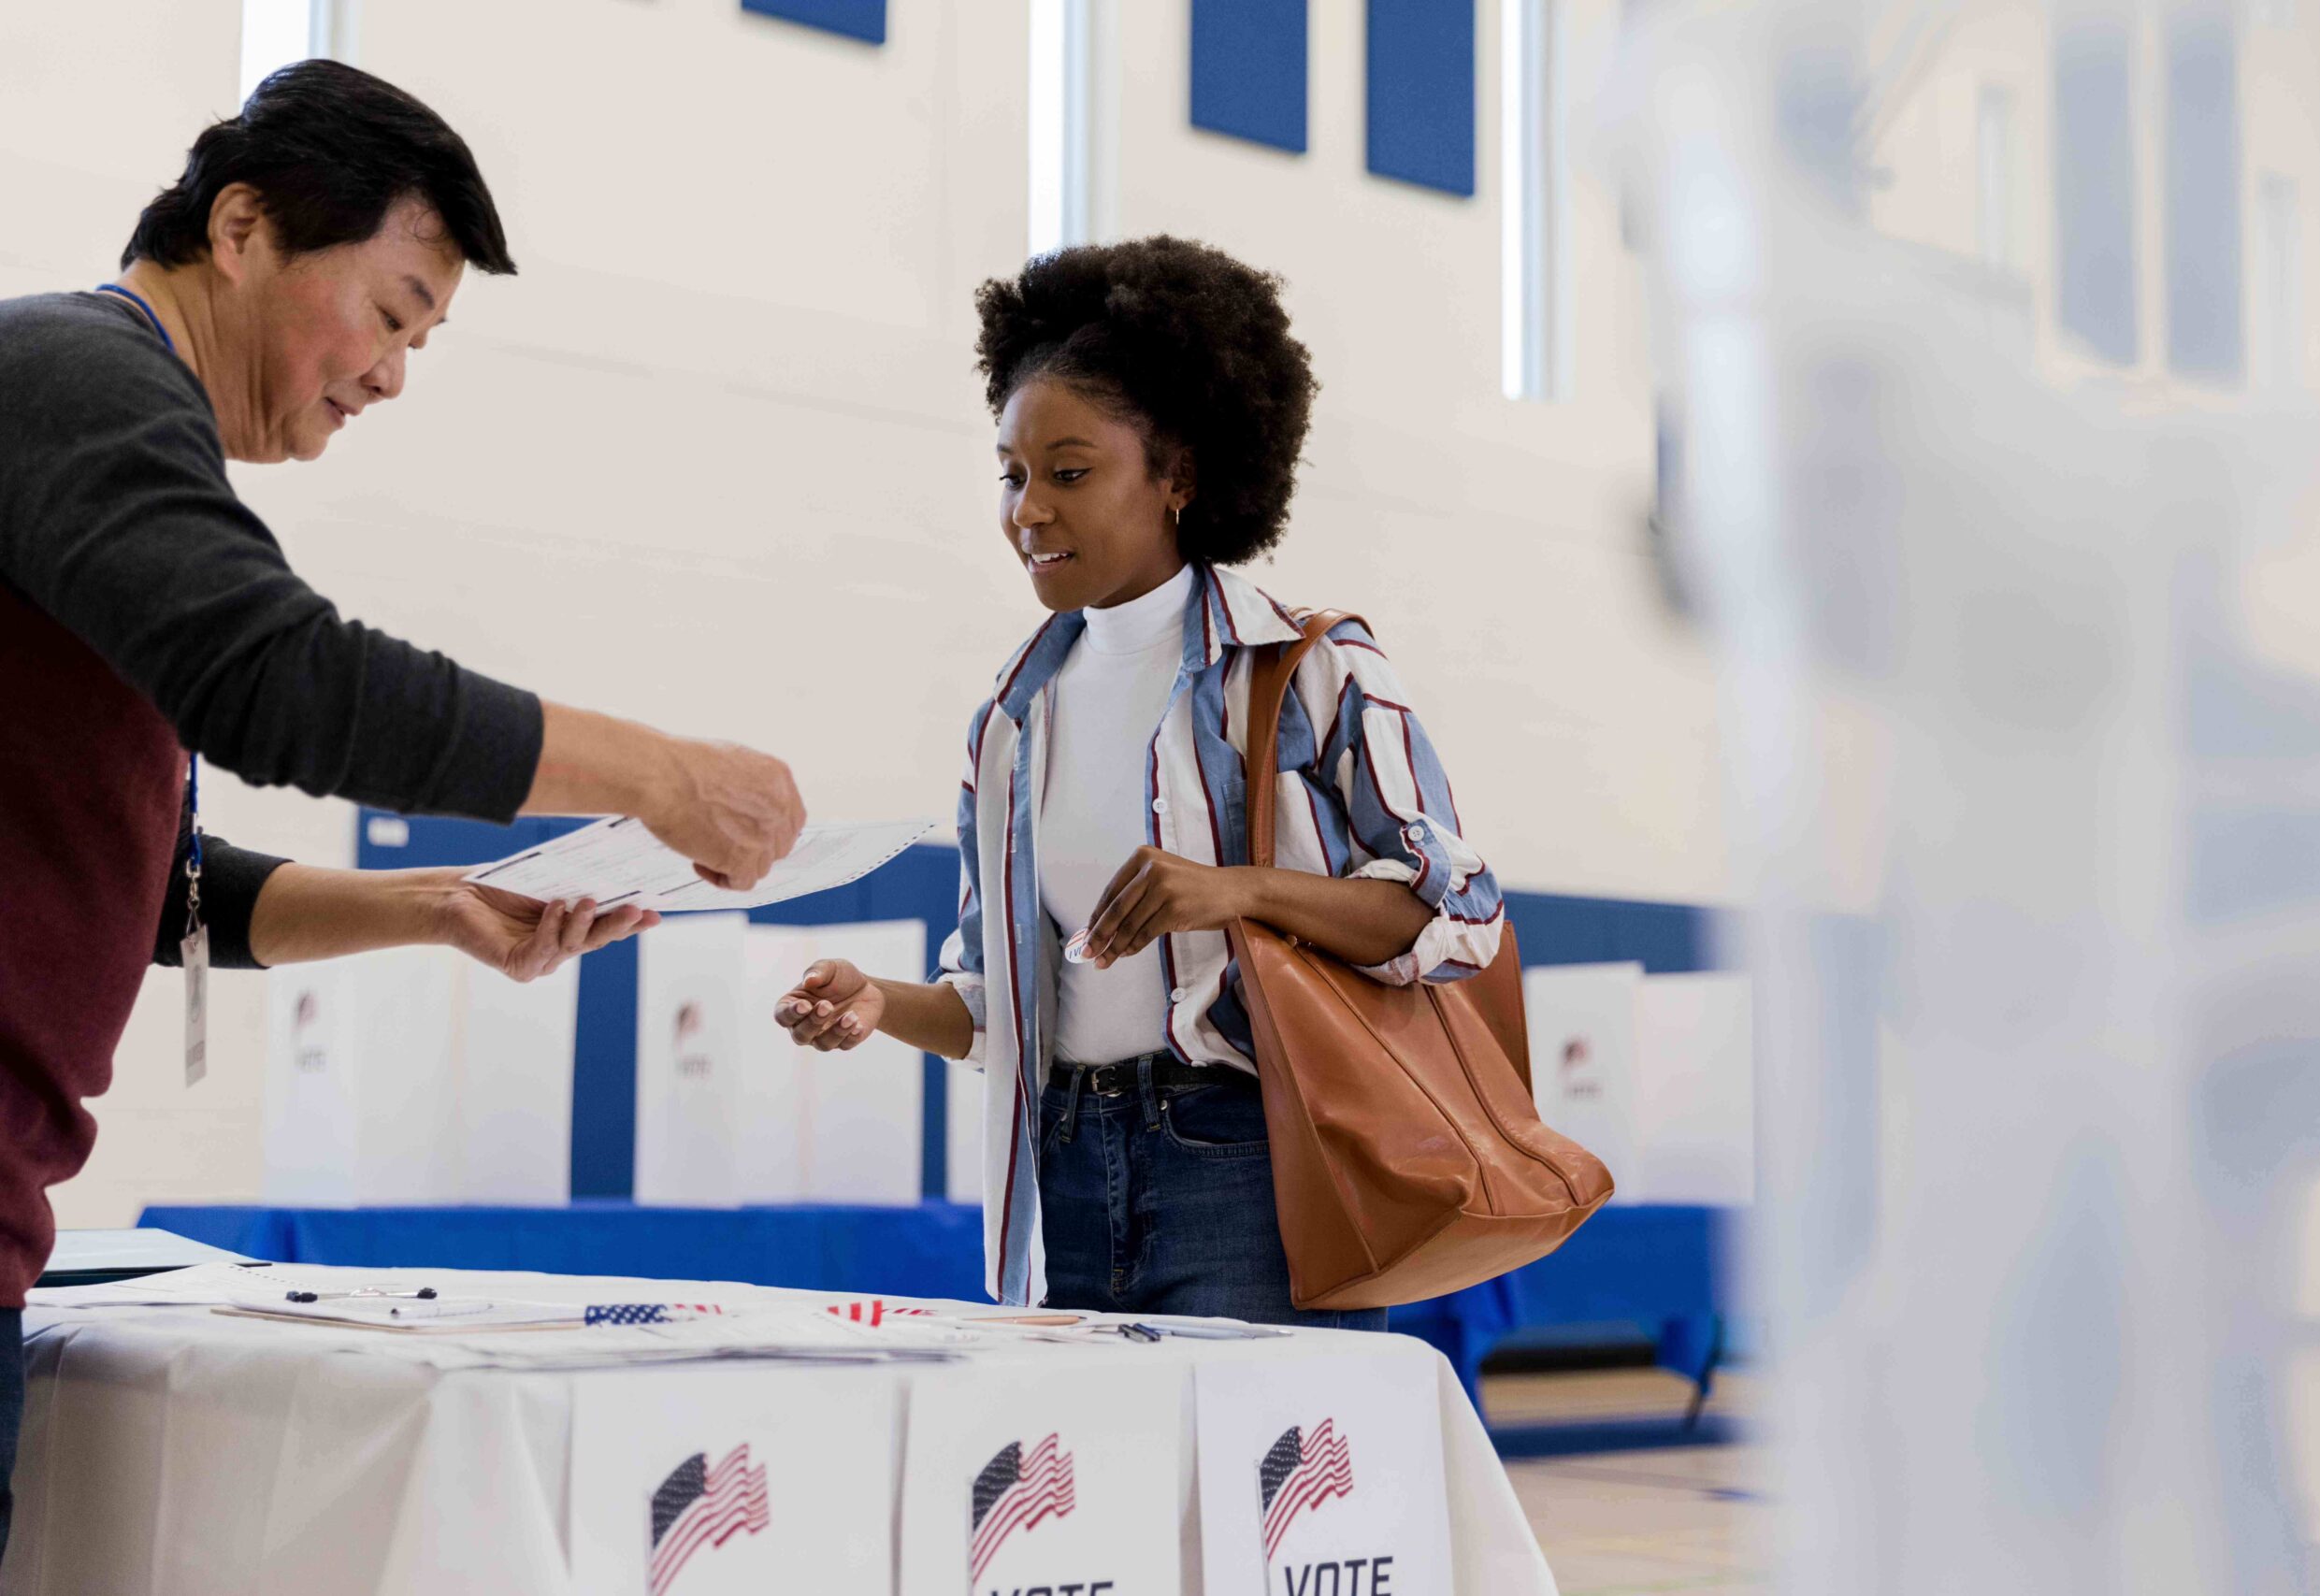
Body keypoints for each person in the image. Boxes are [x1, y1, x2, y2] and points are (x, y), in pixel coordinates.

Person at [0, 61, 806, 1546]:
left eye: (420, 341)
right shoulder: (77, 378)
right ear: (239, 227)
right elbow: (285, 682)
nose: (389, 376)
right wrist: (661, 772)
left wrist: (432, 908)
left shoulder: (97, 422)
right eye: (388, 312)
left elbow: (169, 884)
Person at [775, 237, 1505, 1328]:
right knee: (1091, 1494)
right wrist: (884, 1007)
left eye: (1069, 473)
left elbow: (1459, 914)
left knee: (1258, 1493)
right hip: (1058, 1172)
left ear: (1179, 476)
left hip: (1247, 1167)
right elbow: (995, 1009)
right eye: (1012, 475)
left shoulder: (1308, 671)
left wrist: (1240, 889)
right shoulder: (1007, 725)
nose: (1028, 509)